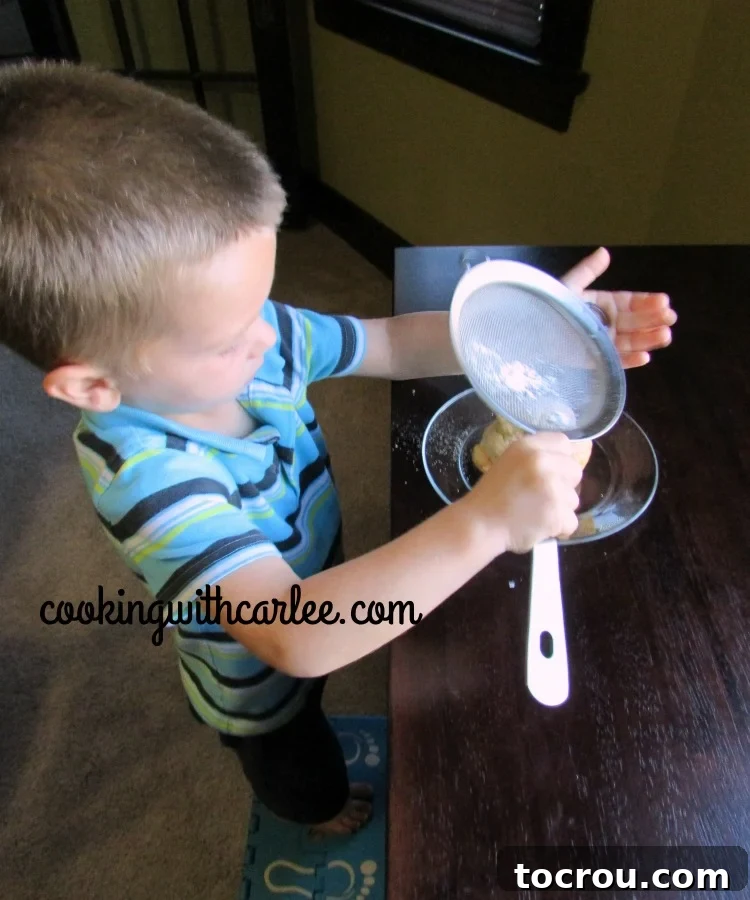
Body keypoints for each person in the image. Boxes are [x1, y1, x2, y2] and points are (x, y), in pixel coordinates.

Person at [0, 60, 676, 838]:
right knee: (293, 753)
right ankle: (313, 811)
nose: (269, 333)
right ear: (94, 387)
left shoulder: (252, 338)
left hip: (321, 577)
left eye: (261, 302)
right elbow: (297, 635)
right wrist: (488, 521)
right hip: (258, 676)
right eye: (230, 335)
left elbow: (385, 341)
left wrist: (536, 327)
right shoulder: (146, 480)